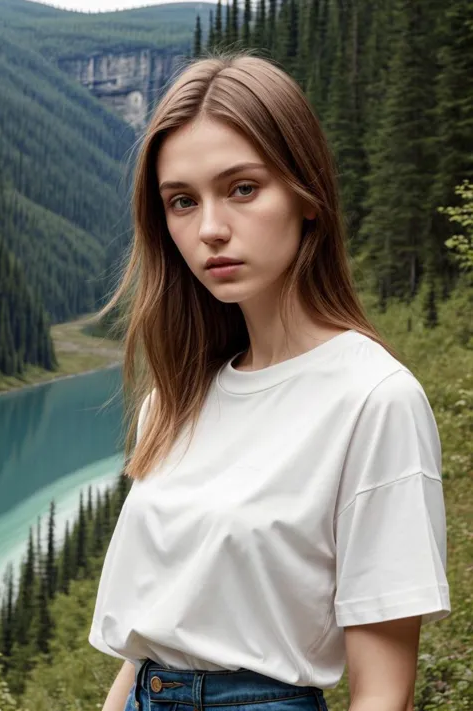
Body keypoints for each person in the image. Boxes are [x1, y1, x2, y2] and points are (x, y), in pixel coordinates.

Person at [88, 50, 451, 711]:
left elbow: (382, 690)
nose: (211, 230)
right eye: (181, 201)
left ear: (306, 195)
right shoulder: (172, 399)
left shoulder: (374, 399)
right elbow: (151, 640)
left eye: (243, 188)